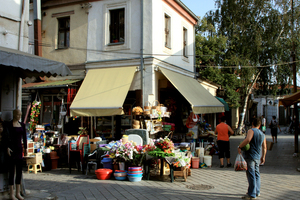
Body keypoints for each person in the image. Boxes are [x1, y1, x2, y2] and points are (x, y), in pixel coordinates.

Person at [238, 118, 267, 199]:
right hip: (257, 156)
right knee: (257, 173)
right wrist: (263, 157)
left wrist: (240, 146)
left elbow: (247, 140)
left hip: (250, 155)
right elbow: (264, 147)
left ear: (252, 123)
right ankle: (257, 191)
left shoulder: (251, 131)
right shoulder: (262, 134)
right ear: (260, 125)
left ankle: (252, 194)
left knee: (251, 174)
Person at [6, 109, 27, 200]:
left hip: (19, 149)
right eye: (18, 114)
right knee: (11, 172)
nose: (19, 116)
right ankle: (11, 193)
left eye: (20, 115)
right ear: (14, 115)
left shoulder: (22, 125)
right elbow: (6, 137)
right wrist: (7, 147)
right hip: (12, 149)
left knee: (19, 171)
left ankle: (18, 193)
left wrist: (26, 148)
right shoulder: (9, 125)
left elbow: (25, 138)